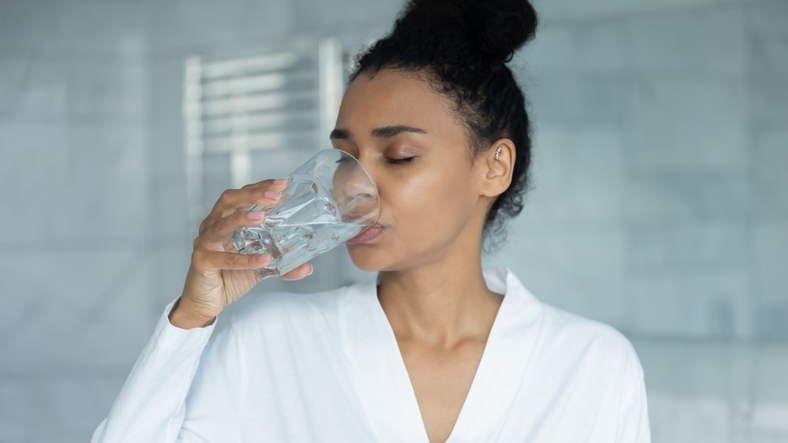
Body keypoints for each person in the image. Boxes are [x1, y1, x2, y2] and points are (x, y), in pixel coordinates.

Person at [92, 0, 651, 441]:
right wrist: (193, 315)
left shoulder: (590, 365)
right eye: (345, 157)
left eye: (400, 156)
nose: (353, 188)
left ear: (494, 167)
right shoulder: (270, 345)